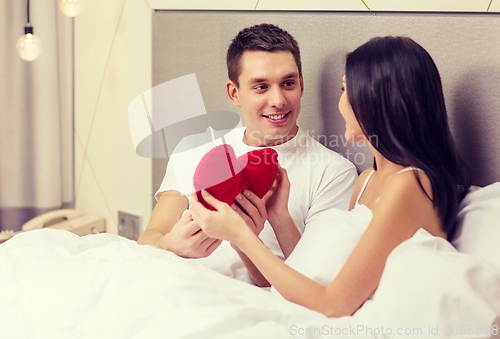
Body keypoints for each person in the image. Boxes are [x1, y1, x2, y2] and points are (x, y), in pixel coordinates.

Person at [190, 36, 471, 315]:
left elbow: (334, 303)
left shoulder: (409, 185)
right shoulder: (367, 181)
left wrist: (240, 235)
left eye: (346, 90)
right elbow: (320, 274)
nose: (340, 103)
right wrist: (279, 216)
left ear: (375, 101)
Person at [139, 23, 357, 285]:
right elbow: (149, 238)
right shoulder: (195, 151)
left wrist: (254, 234)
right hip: (176, 290)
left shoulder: (333, 172)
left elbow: (312, 283)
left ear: (301, 84)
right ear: (234, 93)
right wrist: (170, 244)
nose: (278, 100)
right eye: (261, 87)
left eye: (288, 83)